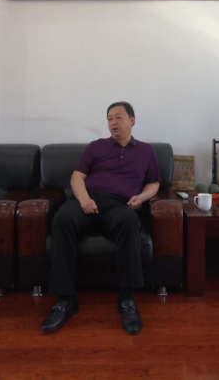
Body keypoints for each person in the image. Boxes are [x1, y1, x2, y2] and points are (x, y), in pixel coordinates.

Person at [42, 101, 161, 335]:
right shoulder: (96, 147)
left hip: (119, 205)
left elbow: (154, 183)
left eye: (118, 117)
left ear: (132, 120)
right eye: (109, 118)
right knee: (62, 219)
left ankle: (126, 300)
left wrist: (141, 197)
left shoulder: (146, 151)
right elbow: (77, 177)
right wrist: (84, 199)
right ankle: (65, 299)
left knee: (129, 221)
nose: (113, 123)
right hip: (88, 200)